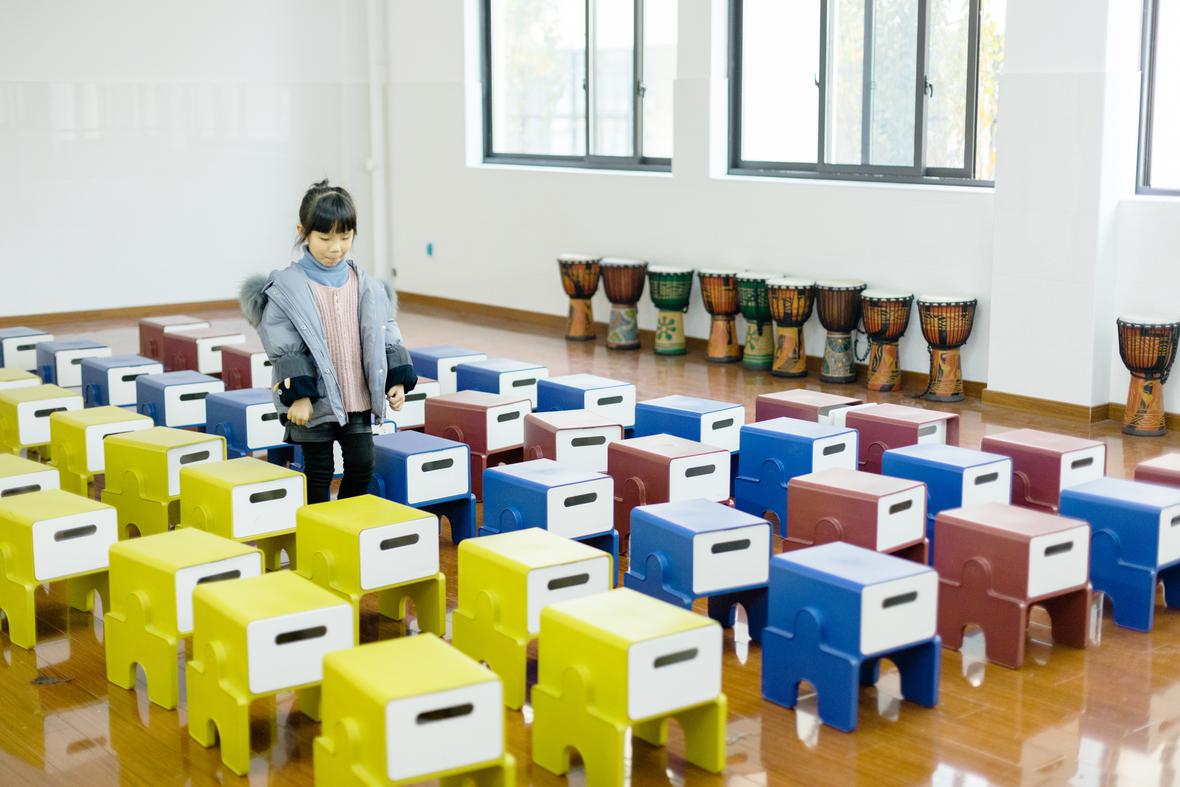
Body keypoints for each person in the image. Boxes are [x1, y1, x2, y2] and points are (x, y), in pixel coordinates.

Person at [241, 179, 416, 504]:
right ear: (303, 232)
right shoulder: (287, 288)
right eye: (325, 238)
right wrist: (299, 396)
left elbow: (386, 332)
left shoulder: (367, 285)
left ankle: (343, 523)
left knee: (362, 466)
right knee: (319, 472)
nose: (335, 247)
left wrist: (397, 378)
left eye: (345, 237)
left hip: (357, 397)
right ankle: (317, 526)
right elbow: (284, 348)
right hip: (314, 401)